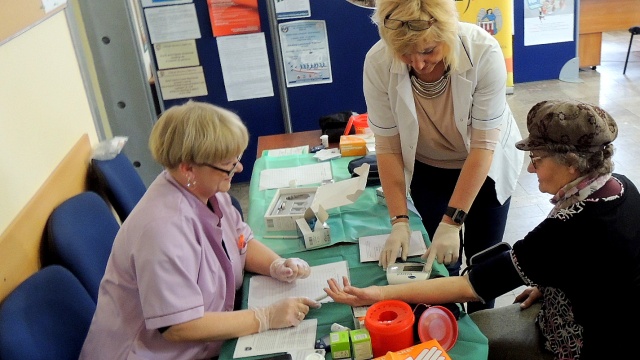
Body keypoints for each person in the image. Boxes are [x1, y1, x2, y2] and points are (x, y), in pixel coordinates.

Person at [325, 99, 640, 359]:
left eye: (537, 158)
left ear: (572, 163)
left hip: (587, 345)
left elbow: (469, 287)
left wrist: (377, 293)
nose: (531, 168)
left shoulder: (564, 230)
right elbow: (606, 261)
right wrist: (551, 281)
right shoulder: (620, 187)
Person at [80, 100, 320, 360]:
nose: (238, 168)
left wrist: (276, 264)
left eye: (237, 159)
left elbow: (241, 241)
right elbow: (178, 326)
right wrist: (264, 318)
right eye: (228, 164)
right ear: (188, 168)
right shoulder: (162, 229)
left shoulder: (208, 190)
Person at [367, 0, 523, 312]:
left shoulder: (483, 52)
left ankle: (483, 326)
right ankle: (446, 325)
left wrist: (452, 223)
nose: (418, 63)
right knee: (438, 261)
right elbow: (387, 148)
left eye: (428, 51)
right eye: (405, 54)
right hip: (429, 166)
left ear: (448, 34)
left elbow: (482, 146)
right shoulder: (378, 62)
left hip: (485, 165)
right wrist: (399, 221)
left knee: (483, 261)